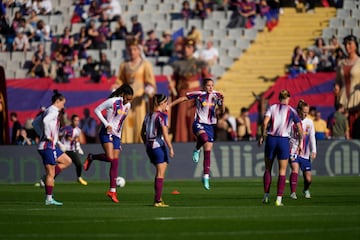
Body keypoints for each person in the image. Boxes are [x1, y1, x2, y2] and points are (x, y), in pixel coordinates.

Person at [168, 78, 224, 190]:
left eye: (212, 85)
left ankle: (206, 177)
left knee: (208, 151)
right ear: (204, 86)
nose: (210, 87)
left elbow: (221, 111)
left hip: (210, 126)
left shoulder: (216, 95)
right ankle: (197, 149)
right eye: (208, 85)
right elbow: (183, 98)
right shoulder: (199, 94)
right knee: (203, 138)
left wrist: (221, 103)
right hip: (198, 123)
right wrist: (169, 105)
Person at [83, 84, 134, 203]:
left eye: (130, 99)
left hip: (116, 135)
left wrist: (119, 139)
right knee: (111, 158)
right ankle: (91, 157)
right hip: (106, 132)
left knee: (115, 161)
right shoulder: (113, 101)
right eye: (127, 98)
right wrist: (106, 124)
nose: (128, 101)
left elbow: (121, 122)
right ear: (123, 95)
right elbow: (97, 110)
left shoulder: (128, 105)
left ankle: (112, 191)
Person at [258, 89, 303, 206]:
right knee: (282, 171)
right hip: (283, 141)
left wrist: (263, 135)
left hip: (271, 139)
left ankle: (266, 196)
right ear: (288, 98)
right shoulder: (292, 110)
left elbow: (264, 122)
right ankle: (279, 199)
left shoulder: (272, 108)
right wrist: (301, 142)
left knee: (268, 168)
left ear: (279, 98)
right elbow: (299, 128)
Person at [32, 90, 72, 206]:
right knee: (51, 173)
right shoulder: (53, 111)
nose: (63, 105)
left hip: (51, 145)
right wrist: (47, 136)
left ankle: (46, 180)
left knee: (67, 161)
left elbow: (35, 123)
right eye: (63, 103)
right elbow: (44, 121)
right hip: (47, 146)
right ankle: (49, 199)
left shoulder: (48, 110)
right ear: (58, 101)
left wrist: (54, 140)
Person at [114, 38, 156, 143]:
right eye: (130, 49)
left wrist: (149, 89)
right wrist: (116, 87)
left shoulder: (145, 64)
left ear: (139, 50)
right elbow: (120, 81)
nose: (132, 52)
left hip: (139, 100)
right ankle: (126, 144)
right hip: (127, 100)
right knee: (127, 123)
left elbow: (150, 82)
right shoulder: (124, 65)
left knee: (139, 122)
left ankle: (140, 144)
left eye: (134, 49)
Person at [170, 38, 211, 142]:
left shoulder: (199, 63)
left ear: (193, 49)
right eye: (185, 47)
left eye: (189, 47)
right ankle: (181, 142)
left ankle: (196, 142)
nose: (187, 50)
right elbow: (174, 79)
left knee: (194, 119)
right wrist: (172, 85)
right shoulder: (178, 64)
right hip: (183, 94)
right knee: (181, 120)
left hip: (195, 94)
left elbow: (207, 78)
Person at [141, 94, 174, 207]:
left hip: (149, 146)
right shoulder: (162, 116)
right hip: (158, 145)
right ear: (161, 103)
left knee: (159, 172)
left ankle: (158, 197)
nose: (167, 105)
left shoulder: (148, 115)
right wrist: (170, 147)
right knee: (160, 173)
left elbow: (142, 132)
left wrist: (146, 143)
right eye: (166, 102)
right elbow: (165, 134)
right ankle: (158, 200)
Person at [289, 100, 316, 200]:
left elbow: (312, 136)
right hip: (293, 151)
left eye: (307, 112)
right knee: (295, 169)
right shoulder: (292, 121)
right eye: (304, 112)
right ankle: (293, 192)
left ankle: (306, 189)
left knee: (308, 179)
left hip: (305, 153)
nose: (306, 114)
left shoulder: (309, 122)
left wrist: (314, 150)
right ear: (299, 111)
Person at [334, 35, 360, 139]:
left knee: (357, 129)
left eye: (350, 44)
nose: (347, 46)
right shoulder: (341, 63)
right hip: (343, 101)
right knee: (344, 131)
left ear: (356, 46)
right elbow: (338, 81)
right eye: (346, 44)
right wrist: (336, 87)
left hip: (357, 100)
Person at [59, 114, 88, 186]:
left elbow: (76, 139)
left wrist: (78, 147)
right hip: (64, 149)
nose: (77, 122)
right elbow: (68, 138)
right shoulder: (67, 128)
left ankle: (79, 177)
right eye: (75, 120)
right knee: (57, 165)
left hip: (71, 150)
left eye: (78, 120)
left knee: (78, 164)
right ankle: (49, 178)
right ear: (71, 121)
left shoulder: (78, 130)